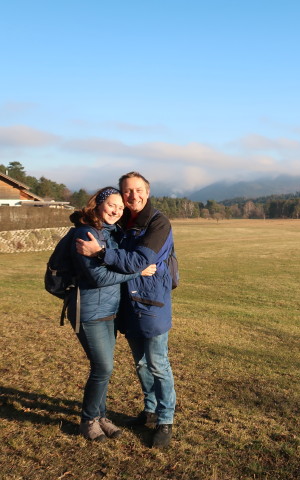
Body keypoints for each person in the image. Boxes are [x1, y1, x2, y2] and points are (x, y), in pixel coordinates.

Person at [76, 172, 177, 448]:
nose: (133, 196)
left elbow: (138, 260)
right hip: (127, 305)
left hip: (153, 303)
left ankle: (165, 420)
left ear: (148, 190)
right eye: (127, 191)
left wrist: (100, 253)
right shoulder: (122, 221)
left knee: (158, 364)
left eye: (138, 190)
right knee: (142, 365)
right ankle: (150, 411)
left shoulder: (158, 223)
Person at [69, 187, 156, 442]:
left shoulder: (112, 233)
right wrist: (137, 272)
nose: (117, 210)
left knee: (105, 368)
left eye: (121, 208)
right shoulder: (86, 233)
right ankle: (88, 420)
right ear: (97, 205)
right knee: (102, 367)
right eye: (112, 205)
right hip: (89, 311)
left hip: (110, 311)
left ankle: (102, 416)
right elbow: (98, 277)